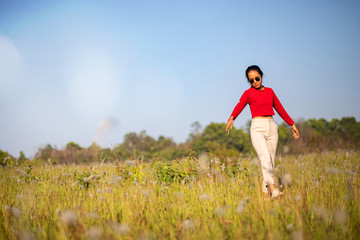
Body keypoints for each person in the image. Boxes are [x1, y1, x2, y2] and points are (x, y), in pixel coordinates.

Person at [226, 65, 300, 200]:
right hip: (257, 128)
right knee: (265, 158)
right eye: (251, 80)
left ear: (261, 76)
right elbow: (240, 104)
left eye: (256, 78)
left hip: (272, 127)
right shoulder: (248, 93)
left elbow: (279, 108)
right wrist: (232, 117)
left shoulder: (270, 91)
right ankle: (274, 190)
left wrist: (292, 124)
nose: (254, 82)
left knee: (270, 163)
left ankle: (265, 198)